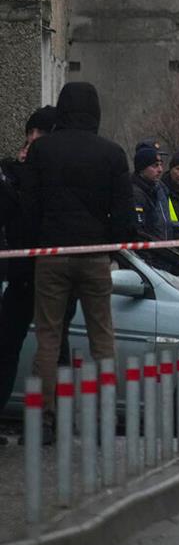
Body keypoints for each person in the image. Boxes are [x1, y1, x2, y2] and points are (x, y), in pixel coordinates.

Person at [21, 82, 134, 443]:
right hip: (94, 256)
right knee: (102, 337)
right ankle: (102, 418)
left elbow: (29, 208)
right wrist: (113, 252)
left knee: (49, 338)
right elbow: (124, 216)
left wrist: (32, 250)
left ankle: (42, 421)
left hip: (51, 256)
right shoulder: (112, 154)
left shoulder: (43, 150)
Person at [0, 106, 60, 431]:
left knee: (50, 348)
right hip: (22, 274)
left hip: (49, 273)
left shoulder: (58, 176)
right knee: (8, 346)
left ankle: (44, 423)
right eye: (36, 134)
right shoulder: (13, 172)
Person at [131, 140, 172, 240]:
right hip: (146, 252)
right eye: (155, 165)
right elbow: (138, 231)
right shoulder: (134, 193)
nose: (160, 170)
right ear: (142, 167)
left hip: (162, 250)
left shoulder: (160, 189)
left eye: (161, 164)